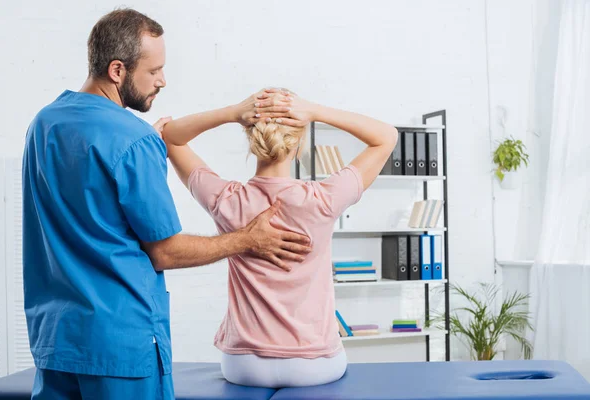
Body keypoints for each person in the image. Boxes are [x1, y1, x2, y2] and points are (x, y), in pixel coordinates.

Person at [22, 9, 311, 400]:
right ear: (118, 70)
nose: (163, 80)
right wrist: (247, 239)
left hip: (56, 341)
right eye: (154, 71)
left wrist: (230, 113)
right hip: (120, 345)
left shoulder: (44, 123)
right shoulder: (132, 139)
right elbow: (166, 252)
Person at [163, 89, 398, 388]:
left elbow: (170, 137)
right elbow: (386, 136)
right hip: (313, 364)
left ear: (251, 140)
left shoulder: (227, 200)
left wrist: (233, 112)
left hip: (243, 364)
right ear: (298, 143)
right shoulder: (322, 199)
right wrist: (313, 110)